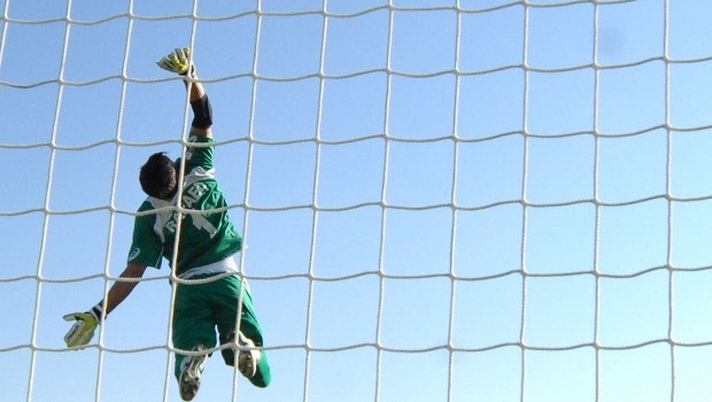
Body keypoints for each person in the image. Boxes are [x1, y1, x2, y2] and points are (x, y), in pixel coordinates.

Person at [62, 48, 271, 401]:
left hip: (188, 287)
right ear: (173, 168)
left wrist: (97, 313)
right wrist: (189, 75)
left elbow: (133, 273)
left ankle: (192, 359)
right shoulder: (197, 165)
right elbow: (204, 113)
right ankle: (244, 348)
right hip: (226, 276)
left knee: (188, 344)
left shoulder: (149, 213)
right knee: (261, 376)